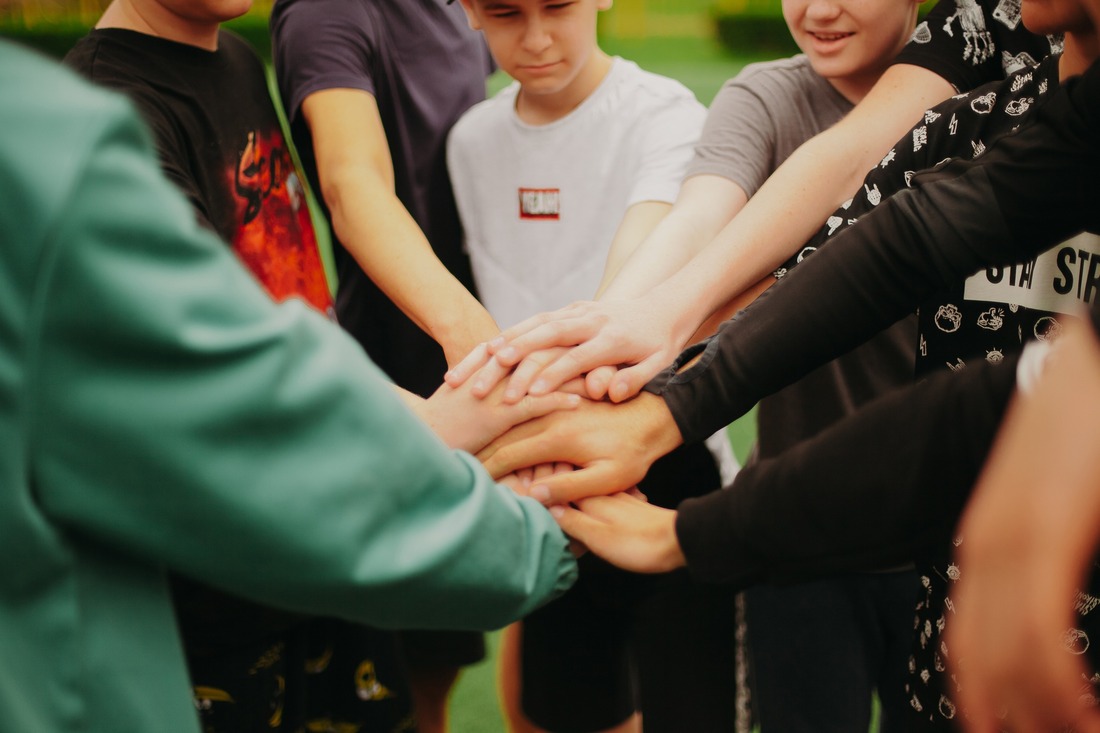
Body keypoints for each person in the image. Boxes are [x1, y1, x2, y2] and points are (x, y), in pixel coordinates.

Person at [476, 16, 1100, 724]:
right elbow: (897, 232)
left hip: (909, 532)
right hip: (875, 549)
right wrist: (661, 388)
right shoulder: (1003, 98)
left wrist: (682, 501)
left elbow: (990, 398)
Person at [0, 38, 578, 733]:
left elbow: (286, 316)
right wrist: (490, 481)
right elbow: (214, 397)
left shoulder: (238, 61)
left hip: (324, 554)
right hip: (225, 586)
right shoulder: (89, 118)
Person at [445, 0, 1060, 406]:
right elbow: (695, 215)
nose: (820, 8)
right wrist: (613, 324)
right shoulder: (766, 98)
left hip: (959, 468)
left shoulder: (997, 95)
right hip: (795, 521)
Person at [61, 4, 360, 728]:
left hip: (324, 526)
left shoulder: (236, 58)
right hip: (216, 579)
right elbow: (209, 363)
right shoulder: (111, 110)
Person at [446, 1, 740, 730]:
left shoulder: (665, 115)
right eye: (507, 12)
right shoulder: (470, 141)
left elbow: (640, 271)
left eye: (559, 6)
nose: (538, 37)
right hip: (546, 476)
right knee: (561, 712)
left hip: (666, 454)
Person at [268, 1, 500, 727]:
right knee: (384, 688)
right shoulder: (327, 13)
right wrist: (478, 337)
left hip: (480, 376)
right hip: (399, 387)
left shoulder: (457, 7)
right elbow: (351, 183)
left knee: (442, 662)